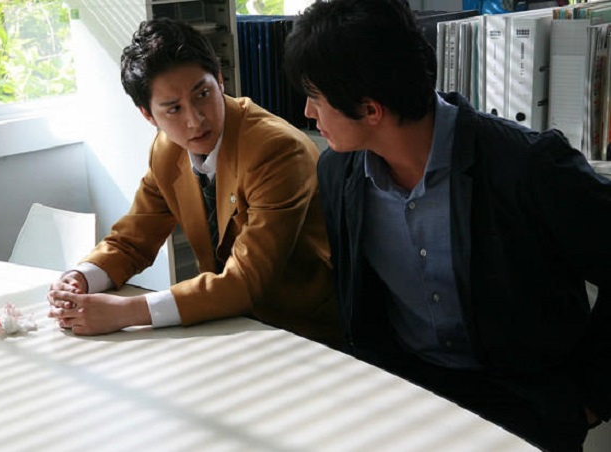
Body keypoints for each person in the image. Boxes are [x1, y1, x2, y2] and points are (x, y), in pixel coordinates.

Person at [284, 0, 611, 450]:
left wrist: (588, 398)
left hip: (525, 408)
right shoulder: (337, 174)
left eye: (316, 97)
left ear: (370, 109)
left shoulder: (528, 167)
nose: (307, 111)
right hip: (405, 399)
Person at [46, 18, 342, 347]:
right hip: (227, 325)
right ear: (148, 115)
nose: (195, 119)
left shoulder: (275, 149)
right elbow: (132, 241)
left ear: (219, 79)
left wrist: (126, 312)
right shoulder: (166, 149)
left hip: (305, 333)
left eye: (202, 94)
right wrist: (81, 278)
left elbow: (247, 279)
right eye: (173, 109)